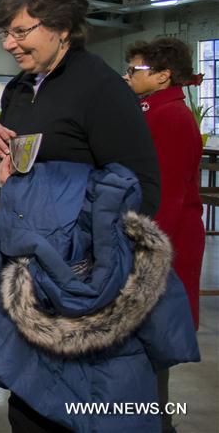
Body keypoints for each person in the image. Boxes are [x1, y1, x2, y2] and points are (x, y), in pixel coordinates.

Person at [0, 0, 162, 431]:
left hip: (82, 282)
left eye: (21, 32)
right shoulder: (19, 89)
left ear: (61, 27)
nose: (9, 44)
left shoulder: (99, 87)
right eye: (5, 33)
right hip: (30, 277)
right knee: (28, 405)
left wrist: (80, 256)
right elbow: (21, 160)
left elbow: (141, 189)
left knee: (81, 406)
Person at [125, 37, 205, 433]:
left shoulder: (171, 117)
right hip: (152, 234)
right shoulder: (150, 111)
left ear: (162, 76)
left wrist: (145, 251)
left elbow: (167, 195)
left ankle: (157, 423)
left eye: (135, 70)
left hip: (164, 241)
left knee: (154, 333)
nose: (128, 76)